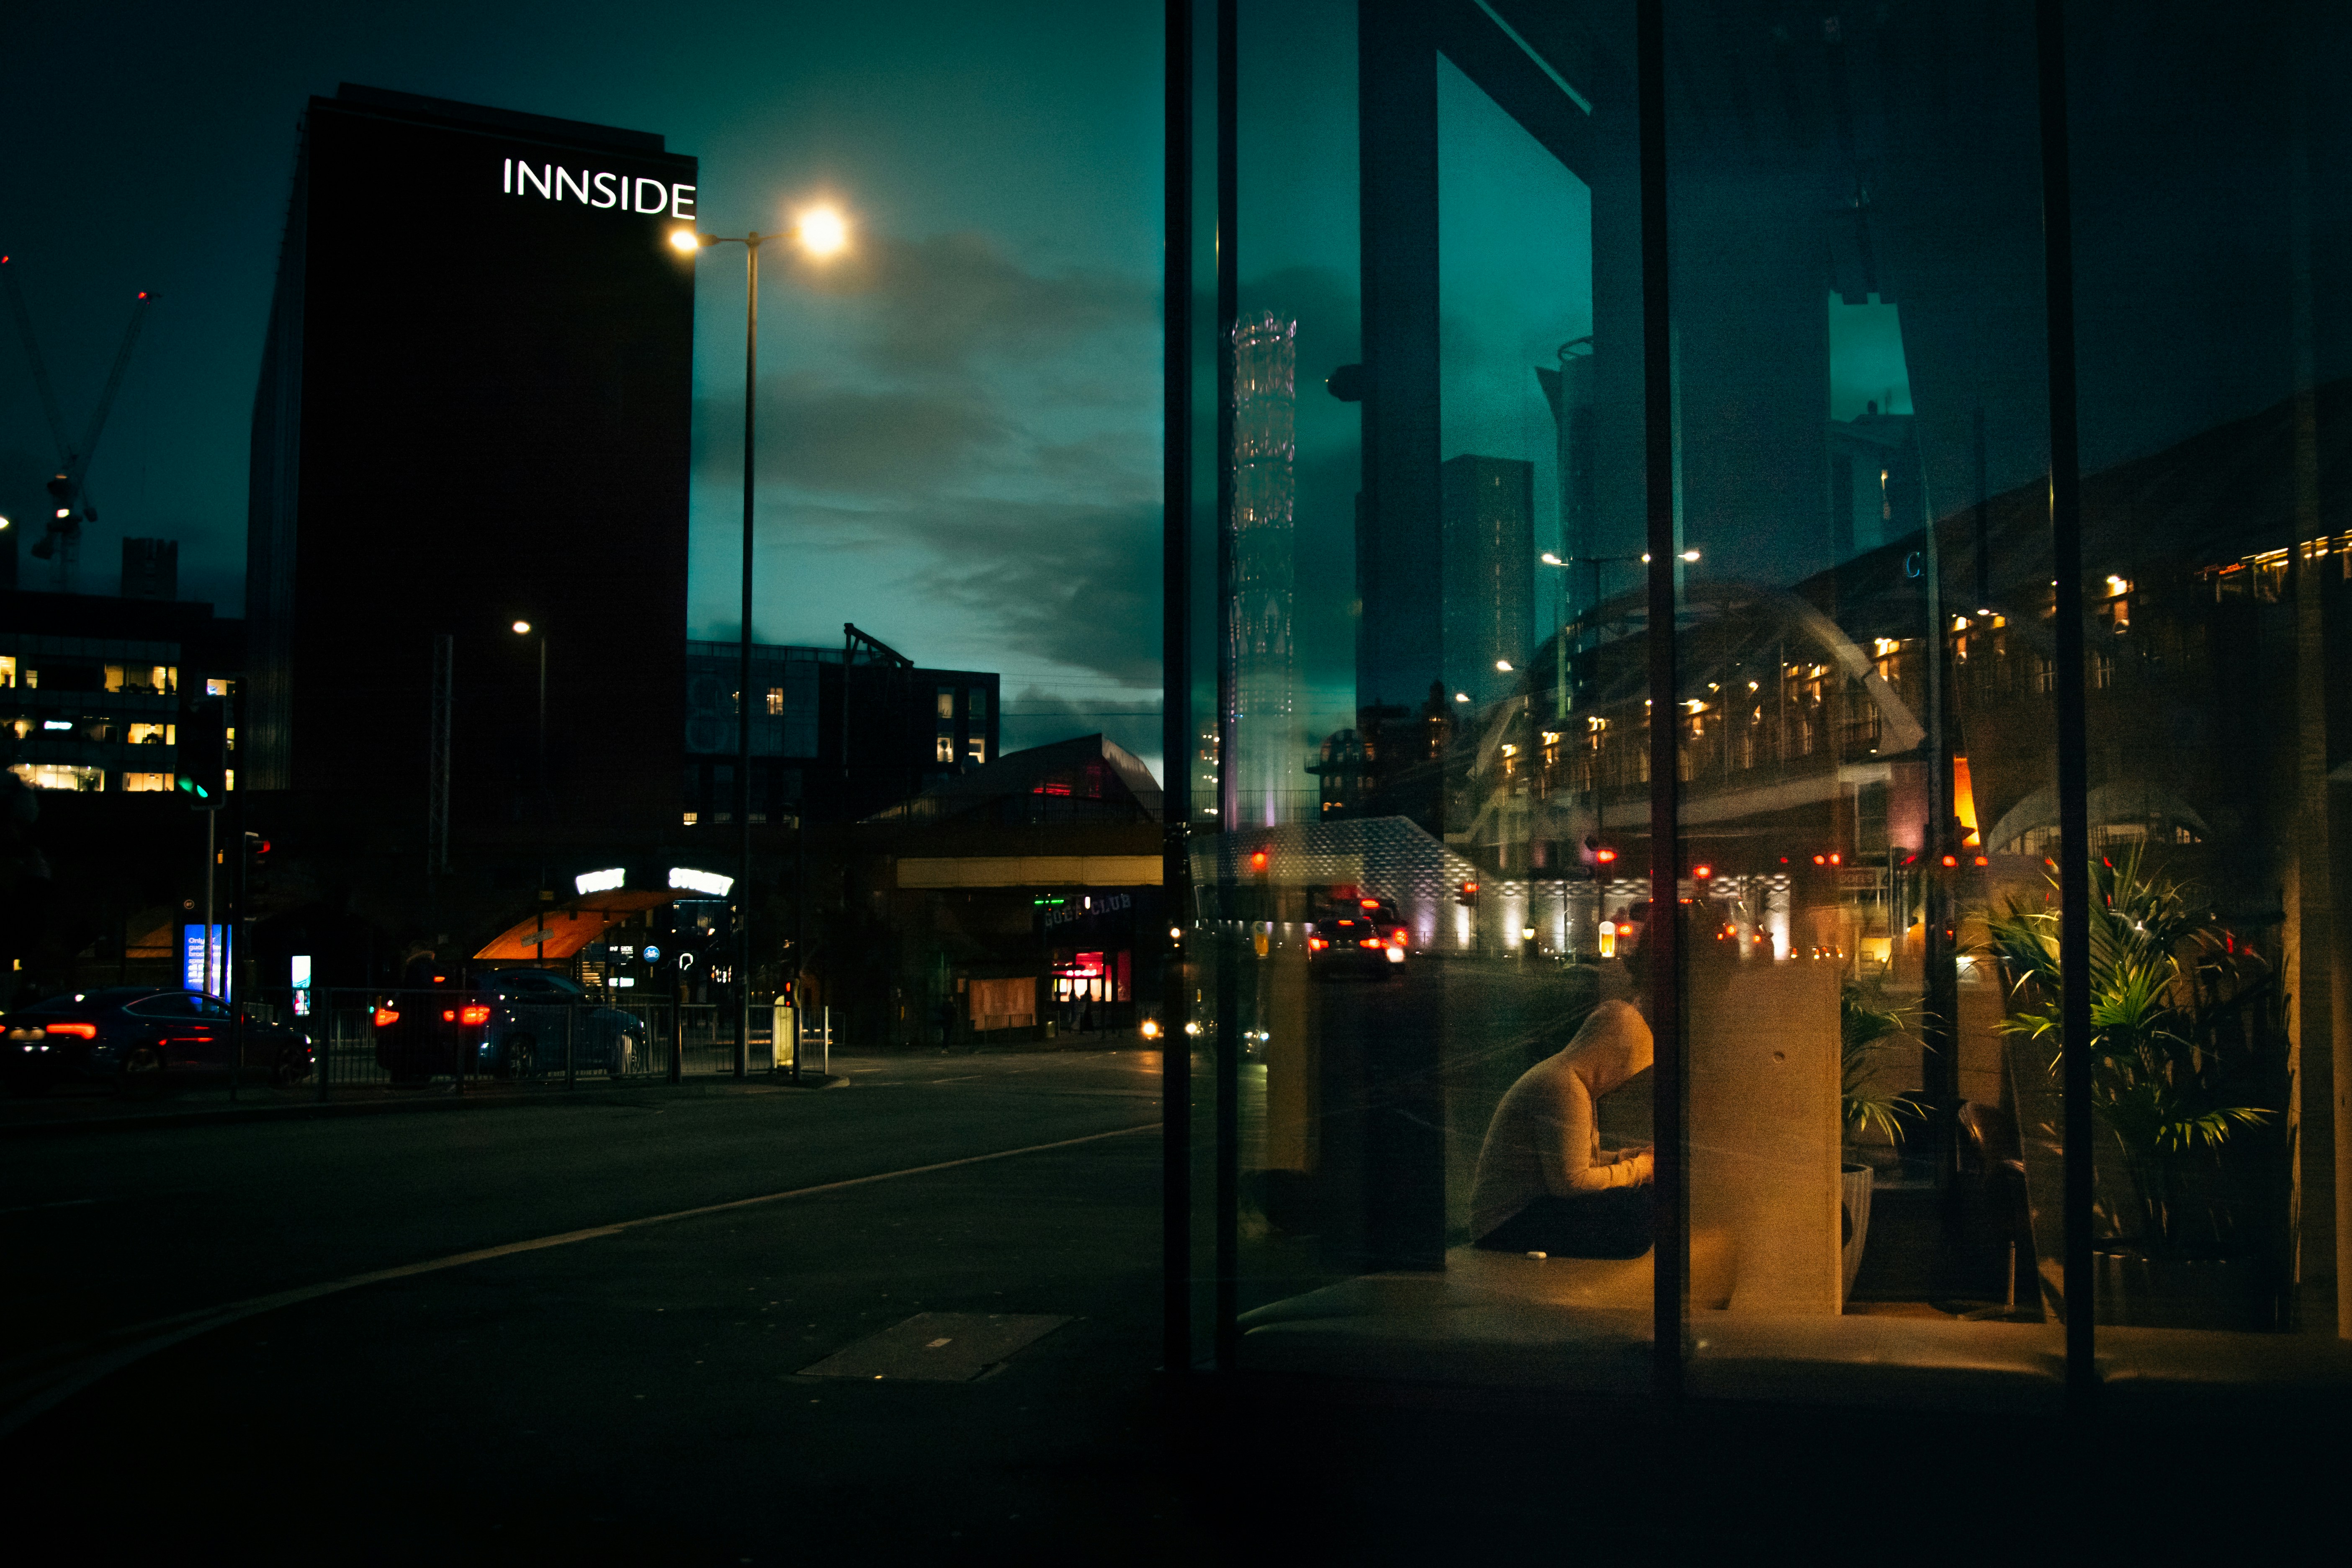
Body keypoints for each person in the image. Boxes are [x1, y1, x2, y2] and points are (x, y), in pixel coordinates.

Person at [1469, 998, 1655, 1257]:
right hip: (1508, 1222)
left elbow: (1571, 1163)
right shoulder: (1565, 1088)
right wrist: (1640, 1168)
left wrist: (1628, 1159)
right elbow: (1571, 1181)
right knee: (1637, 1211)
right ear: (1613, 1056)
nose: (1623, 1079)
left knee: (1639, 1202)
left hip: (1512, 1214)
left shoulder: (1567, 1079)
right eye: (1627, 1067)